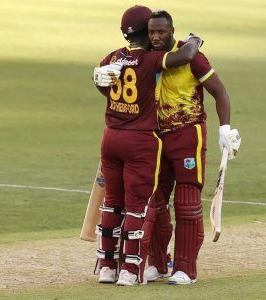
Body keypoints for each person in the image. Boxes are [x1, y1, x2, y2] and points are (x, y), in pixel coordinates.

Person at [91, 5, 203, 286]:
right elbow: (186, 55)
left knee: (112, 203)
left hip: (110, 137)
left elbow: (102, 82)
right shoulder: (152, 60)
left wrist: (98, 81)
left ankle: (106, 266)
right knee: (137, 207)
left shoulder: (112, 58)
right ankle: (130, 271)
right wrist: (195, 40)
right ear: (146, 31)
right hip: (140, 140)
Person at [143, 10, 241, 285]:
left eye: (161, 31)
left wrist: (225, 127)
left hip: (188, 134)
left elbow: (219, 91)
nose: (156, 37)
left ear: (172, 30)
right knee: (153, 200)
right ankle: (159, 264)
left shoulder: (191, 56)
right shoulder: (149, 57)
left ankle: (185, 268)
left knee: (186, 202)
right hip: (155, 136)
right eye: (152, 32)